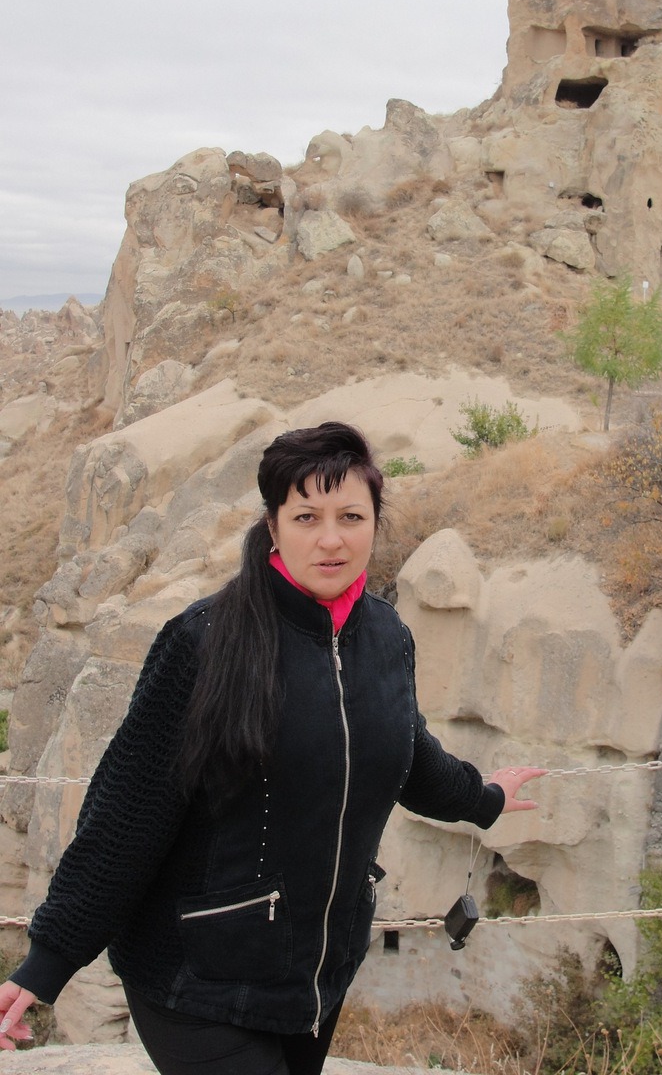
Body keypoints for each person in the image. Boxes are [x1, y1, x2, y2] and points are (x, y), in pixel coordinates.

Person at [0, 422, 545, 1073]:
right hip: (198, 977)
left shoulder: (387, 636)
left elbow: (405, 751)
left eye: (351, 516)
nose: (331, 538)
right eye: (306, 516)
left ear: (375, 523)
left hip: (315, 977)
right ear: (274, 526)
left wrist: (484, 798)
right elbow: (125, 813)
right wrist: (47, 962)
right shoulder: (203, 642)